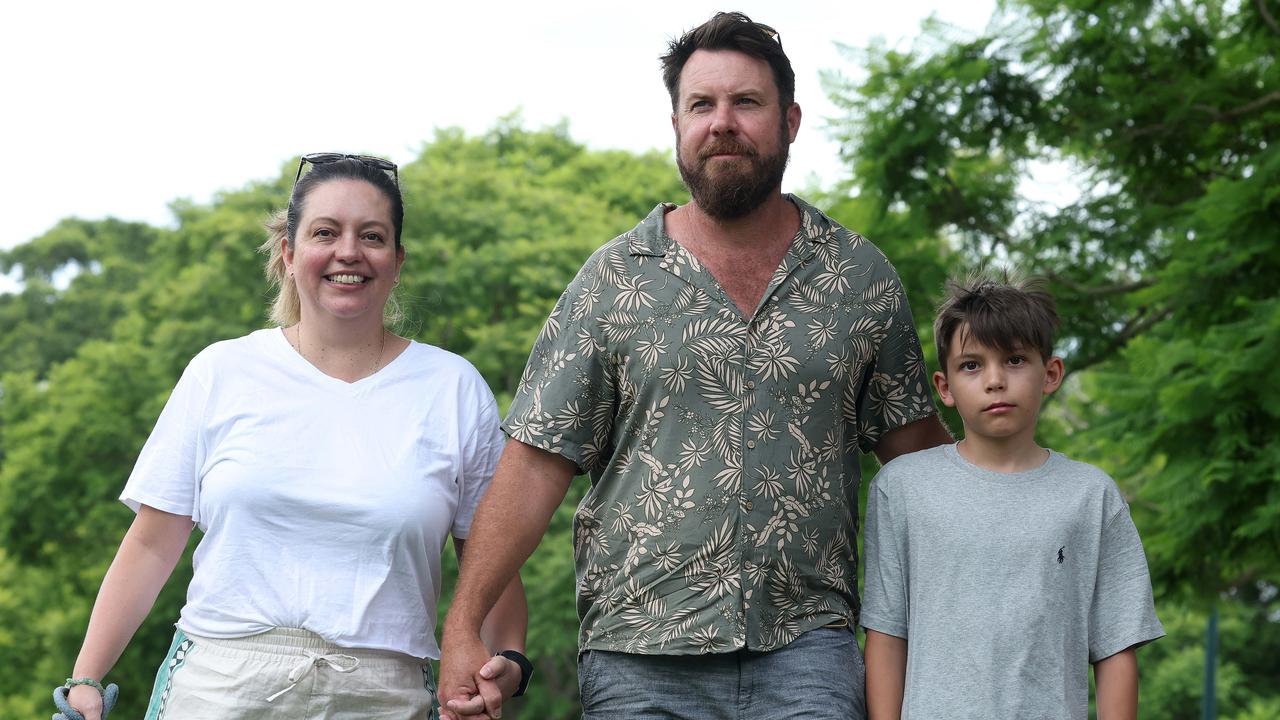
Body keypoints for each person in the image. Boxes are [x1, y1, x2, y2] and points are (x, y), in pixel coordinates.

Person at [438, 12, 951, 720]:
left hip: (808, 650)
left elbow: (920, 460)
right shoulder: (615, 278)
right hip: (639, 652)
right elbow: (532, 468)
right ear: (676, 122)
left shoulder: (859, 276)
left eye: (747, 102)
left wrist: (1018, 524)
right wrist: (463, 626)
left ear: (790, 119)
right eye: (701, 105)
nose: (723, 123)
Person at [61, 154, 528, 720]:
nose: (348, 252)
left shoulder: (453, 387)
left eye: (372, 236)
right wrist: (86, 677)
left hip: (386, 694)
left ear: (398, 261)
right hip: (220, 688)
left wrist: (510, 661)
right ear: (288, 253)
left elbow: (491, 556)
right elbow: (153, 542)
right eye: (325, 233)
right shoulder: (221, 371)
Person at [861, 274, 1165, 719]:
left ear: (1052, 373)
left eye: (1015, 359)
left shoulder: (1091, 496)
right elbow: (886, 635)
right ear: (944, 388)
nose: (995, 380)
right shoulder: (902, 489)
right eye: (972, 365)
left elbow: (1116, 647)